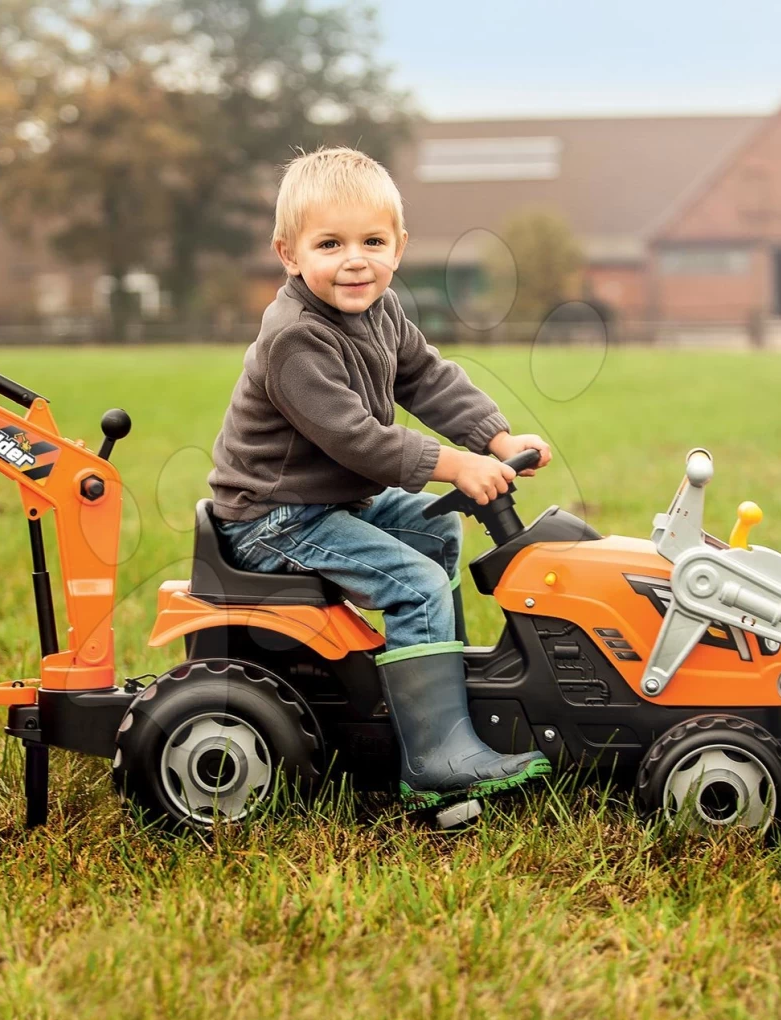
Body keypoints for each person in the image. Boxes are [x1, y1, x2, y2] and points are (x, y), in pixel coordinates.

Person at [207, 146, 554, 809]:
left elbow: (426, 376)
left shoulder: (382, 310)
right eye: (330, 243)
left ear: (398, 247)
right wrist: (455, 464)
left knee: (438, 533)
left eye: (372, 241)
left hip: (326, 501)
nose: (355, 259)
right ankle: (435, 761)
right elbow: (356, 439)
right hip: (272, 517)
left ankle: (443, 706)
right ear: (289, 254)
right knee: (418, 584)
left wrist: (496, 437)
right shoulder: (294, 338)